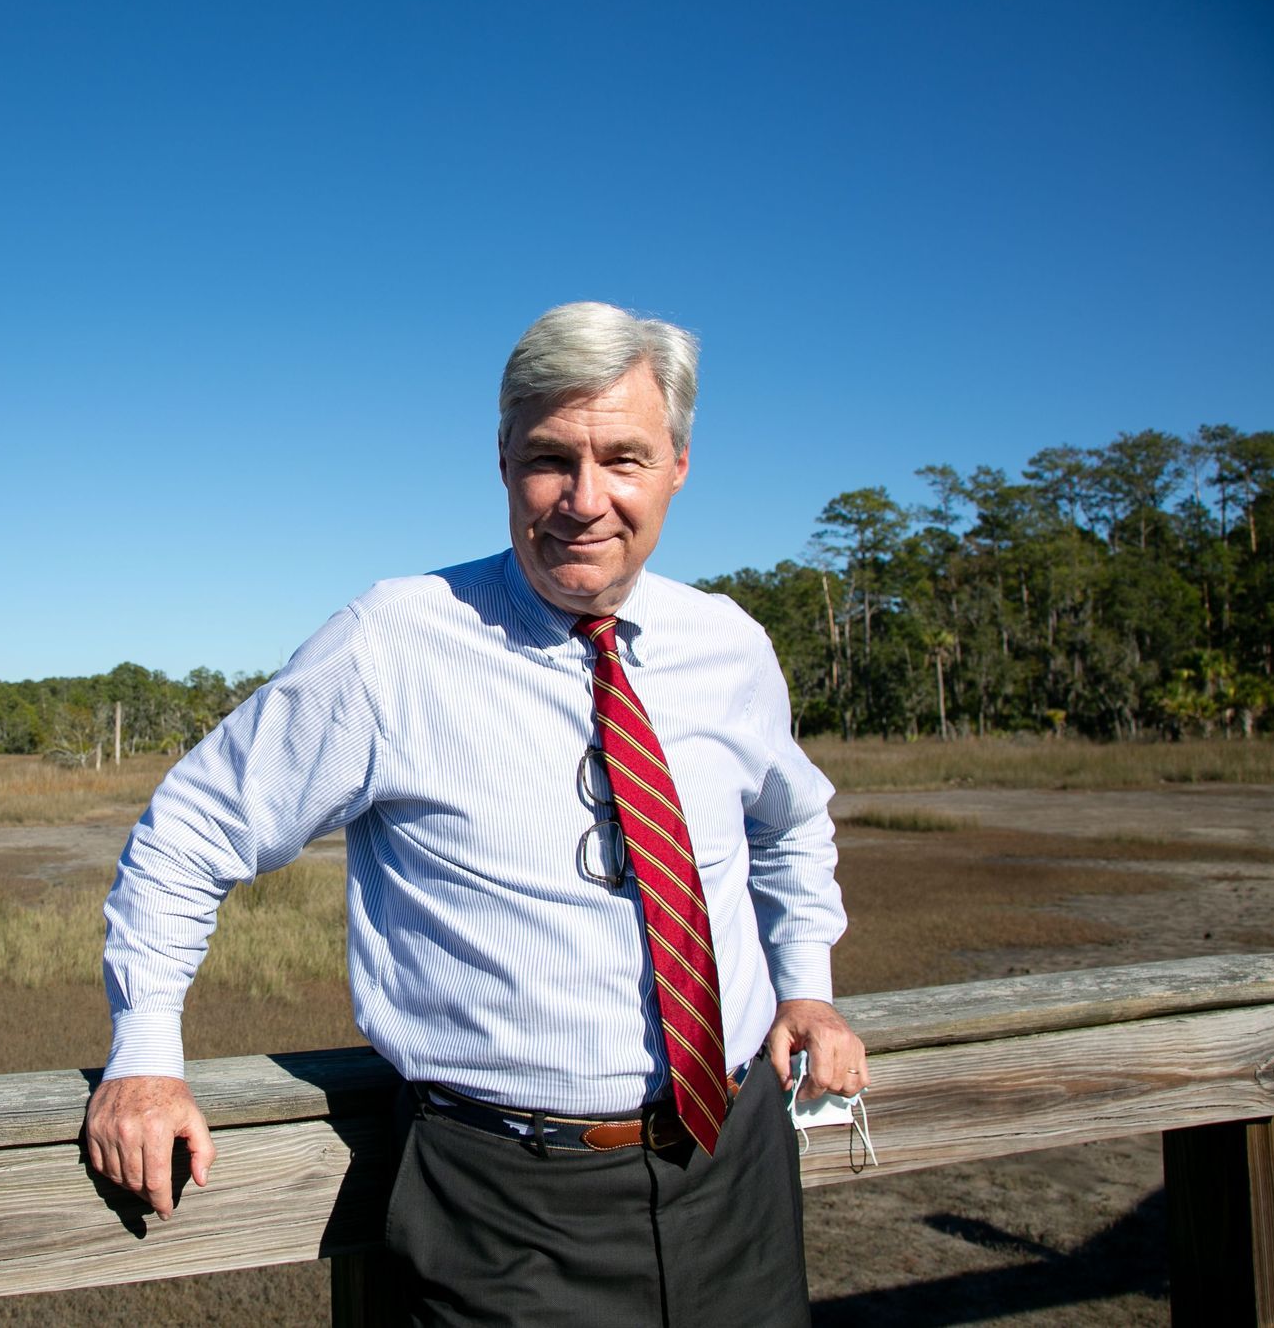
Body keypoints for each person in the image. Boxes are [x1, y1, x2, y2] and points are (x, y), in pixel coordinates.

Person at [84, 301, 868, 1326]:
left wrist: (802, 983)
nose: (584, 500)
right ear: (501, 461)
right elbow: (189, 830)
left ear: (677, 462)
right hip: (499, 1205)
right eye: (550, 458)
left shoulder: (726, 644)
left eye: (623, 458)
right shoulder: (390, 645)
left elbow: (791, 821)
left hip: (735, 1167)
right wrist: (144, 1055)